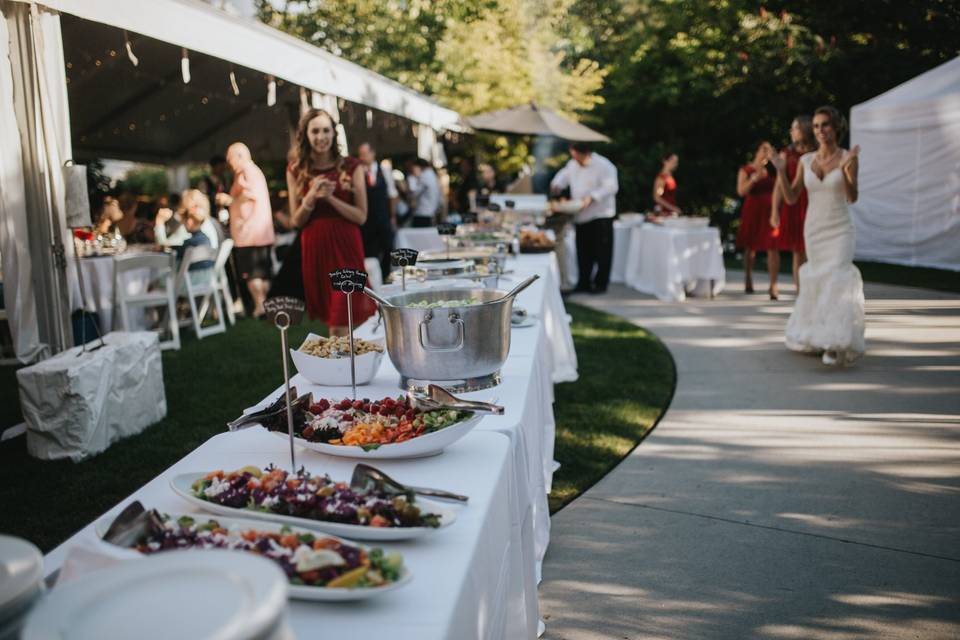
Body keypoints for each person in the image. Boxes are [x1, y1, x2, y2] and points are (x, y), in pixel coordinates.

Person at [769, 105, 863, 366]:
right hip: (814, 228)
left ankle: (835, 344)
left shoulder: (848, 157)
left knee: (837, 279)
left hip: (840, 228)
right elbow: (791, 197)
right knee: (819, 280)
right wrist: (779, 170)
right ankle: (817, 336)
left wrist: (845, 172)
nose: (821, 130)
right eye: (817, 126)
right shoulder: (805, 161)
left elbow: (852, 197)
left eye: (826, 125)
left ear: (836, 128)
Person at [286, 108, 373, 335]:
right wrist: (311, 197)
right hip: (315, 249)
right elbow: (297, 220)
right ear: (306, 135)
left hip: (346, 248)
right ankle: (352, 361)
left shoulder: (352, 167)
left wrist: (331, 198)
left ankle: (348, 364)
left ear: (334, 134)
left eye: (326, 130)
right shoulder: (296, 170)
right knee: (336, 319)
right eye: (315, 131)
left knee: (340, 322)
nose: (321, 137)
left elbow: (361, 216)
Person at [550, 142, 619, 294]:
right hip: (580, 214)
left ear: (586, 153)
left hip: (601, 214)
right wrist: (556, 184)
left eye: (577, 157)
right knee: (583, 251)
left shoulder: (604, 165)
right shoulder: (572, 164)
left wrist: (592, 197)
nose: (575, 160)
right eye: (573, 156)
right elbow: (563, 176)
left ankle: (600, 284)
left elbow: (611, 187)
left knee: (602, 253)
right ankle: (584, 283)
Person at [226, 142, 275, 319]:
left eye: (229, 158)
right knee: (263, 272)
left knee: (252, 273)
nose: (229, 163)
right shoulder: (256, 171)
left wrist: (230, 200)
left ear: (239, 156)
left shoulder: (245, 172)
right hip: (262, 233)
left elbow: (248, 195)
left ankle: (260, 307)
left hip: (249, 234)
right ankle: (264, 305)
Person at [771, 116, 816, 292]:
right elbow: (779, 186)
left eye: (794, 128)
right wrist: (775, 210)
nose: (791, 132)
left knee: (813, 251)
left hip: (814, 202)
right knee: (798, 252)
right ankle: (801, 293)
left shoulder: (818, 152)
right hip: (795, 205)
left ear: (804, 130)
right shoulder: (786, 154)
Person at [735, 141, 781, 298]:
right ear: (757, 151)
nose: (767, 152)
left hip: (770, 212)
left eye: (770, 150)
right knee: (750, 247)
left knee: (773, 246)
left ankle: (773, 285)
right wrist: (754, 179)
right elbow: (741, 191)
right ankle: (748, 277)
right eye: (764, 149)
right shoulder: (746, 170)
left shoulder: (773, 170)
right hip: (753, 210)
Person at [357, 142, 397, 278]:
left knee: (388, 247)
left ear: (372, 153)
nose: (362, 157)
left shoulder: (384, 170)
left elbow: (392, 194)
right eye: (360, 155)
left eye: (365, 154)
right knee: (369, 252)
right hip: (366, 220)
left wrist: (392, 215)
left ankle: (385, 274)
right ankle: (373, 278)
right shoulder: (358, 172)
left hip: (383, 216)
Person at [154, 189, 221, 250]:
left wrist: (159, 222)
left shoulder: (193, 227)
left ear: (194, 208)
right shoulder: (210, 224)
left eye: (184, 213)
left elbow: (165, 249)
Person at [408, 158, 441, 227]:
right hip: (430, 211)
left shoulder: (424, 176)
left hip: (423, 212)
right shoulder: (432, 175)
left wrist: (411, 179)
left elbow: (414, 193)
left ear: (418, 166)